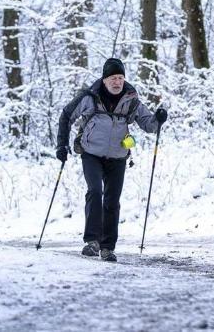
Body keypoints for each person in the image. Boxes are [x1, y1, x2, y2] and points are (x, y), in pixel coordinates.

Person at [56, 58, 167, 262]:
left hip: (118, 156)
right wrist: (61, 145)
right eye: (113, 78)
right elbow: (66, 116)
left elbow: (149, 125)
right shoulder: (89, 98)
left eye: (121, 78)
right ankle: (92, 241)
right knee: (95, 191)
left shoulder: (130, 100)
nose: (117, 82)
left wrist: (158, 119)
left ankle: (107, 247)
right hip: (91, 154)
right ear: (105, 80)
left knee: (112, 200)